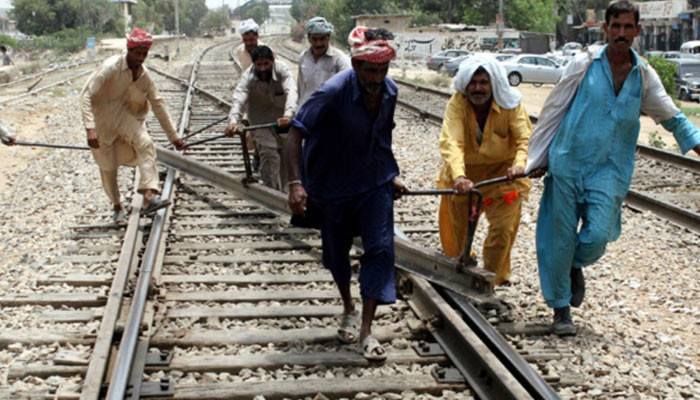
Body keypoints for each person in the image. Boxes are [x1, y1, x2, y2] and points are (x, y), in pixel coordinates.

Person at [526, 0, 700, 336]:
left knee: (598, 235)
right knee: (558, 238)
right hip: (568, 162)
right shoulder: (583, 64)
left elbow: (673, 118)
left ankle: (575, 265)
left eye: (627, 27)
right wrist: (538, 159)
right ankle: (561, 309)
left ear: (637, 30)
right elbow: (553, 111)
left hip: (609, 170)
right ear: (605, 29)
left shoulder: (644, 75)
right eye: (615, 27)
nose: (621, 33)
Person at [287, 26, 407, 361]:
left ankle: (367, 331)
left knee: (381, 249)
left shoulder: (390, 92)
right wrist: (296, 184)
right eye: (370, 70)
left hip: (373, 183)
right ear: (355, 67)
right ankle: (348, 306)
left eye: (382, 71)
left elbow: (382, 137)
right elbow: (296, 133)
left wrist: (390, 174)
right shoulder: (332, 91)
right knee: (336, 254)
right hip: (333, 185)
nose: (377, 77)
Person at [437, 57, 531, 286]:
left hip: (504, 178)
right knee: (459, 235)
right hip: (464, 178)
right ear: (466, 85)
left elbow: (524, 139)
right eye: (473, 83)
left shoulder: (511, 104)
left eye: (483, 82)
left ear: (493, 85)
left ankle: (489, 279)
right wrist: (459, 176)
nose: (478, 88)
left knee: (502, 230)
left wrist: (519, 164)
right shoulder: (457, 103)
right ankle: (462, 268)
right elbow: (452, 141)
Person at [80, 28, 185, 223]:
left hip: (121, 115)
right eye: (138, 53)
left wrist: (174, 137)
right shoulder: (110, 68)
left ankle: (149, 196)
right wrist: (90, 128)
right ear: (129, 49)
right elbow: (86, 95)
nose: (141, 58)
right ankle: (117, 205)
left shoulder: (143, 76)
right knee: (108, 168)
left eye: (144, 54)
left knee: (145, 143)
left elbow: (158, 104)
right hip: (100, 118)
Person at [225, 45, 297, 191]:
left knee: (285, 159)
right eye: (259, 64)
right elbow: (239, 98)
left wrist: (288, 114)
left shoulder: (282, 70)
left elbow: (292, 91)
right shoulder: (248, 77)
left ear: (273, 61)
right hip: (261, 124)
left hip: (283, 122)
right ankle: (271, 195)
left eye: (266, 64)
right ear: (254, 64)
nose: (263, 68)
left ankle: (285, 195)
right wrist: (233, 121)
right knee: (270, 156)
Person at [297, 16, 350, 106]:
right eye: (315, 39)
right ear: (309, 38)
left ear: (328, 37)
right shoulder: (303, 57)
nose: (319, 43)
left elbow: (347, 89)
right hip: (307, 111)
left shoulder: (339, 59)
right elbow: (301, 88)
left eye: (322, 39)